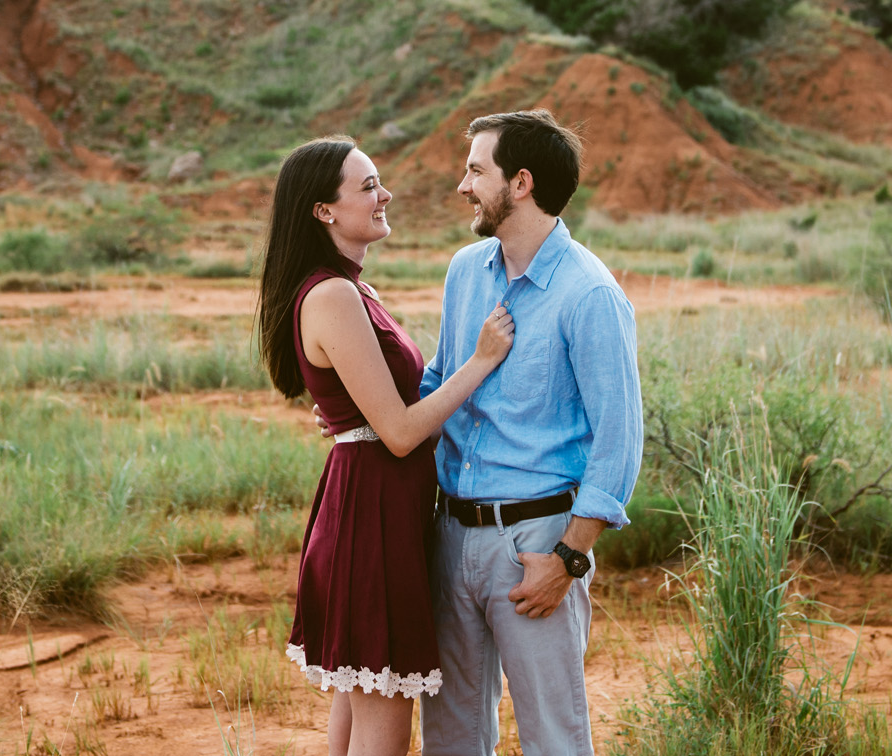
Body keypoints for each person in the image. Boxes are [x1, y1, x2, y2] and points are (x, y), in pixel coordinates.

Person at [257, 135, 517, 756]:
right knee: (384, 725)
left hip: (374, 503)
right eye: (368, 185)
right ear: (324, 210)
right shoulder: (333, 294)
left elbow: (383, 416)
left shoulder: (352, 289)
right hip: (369, 512)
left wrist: (360, 428)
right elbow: (400, 433)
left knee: (358, 705)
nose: (385, 195)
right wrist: (480, 362)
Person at [418, 110, 643, 756]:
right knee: (451, 736)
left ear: (520, 183)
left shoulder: (589, 294)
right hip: (450, 536)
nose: (463, 186)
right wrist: (368, 419)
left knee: (553, 739)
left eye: (475, 171)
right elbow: (439, 381)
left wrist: (569, 559)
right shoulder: (465, 270)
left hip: (536, 544)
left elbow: (619, 439)